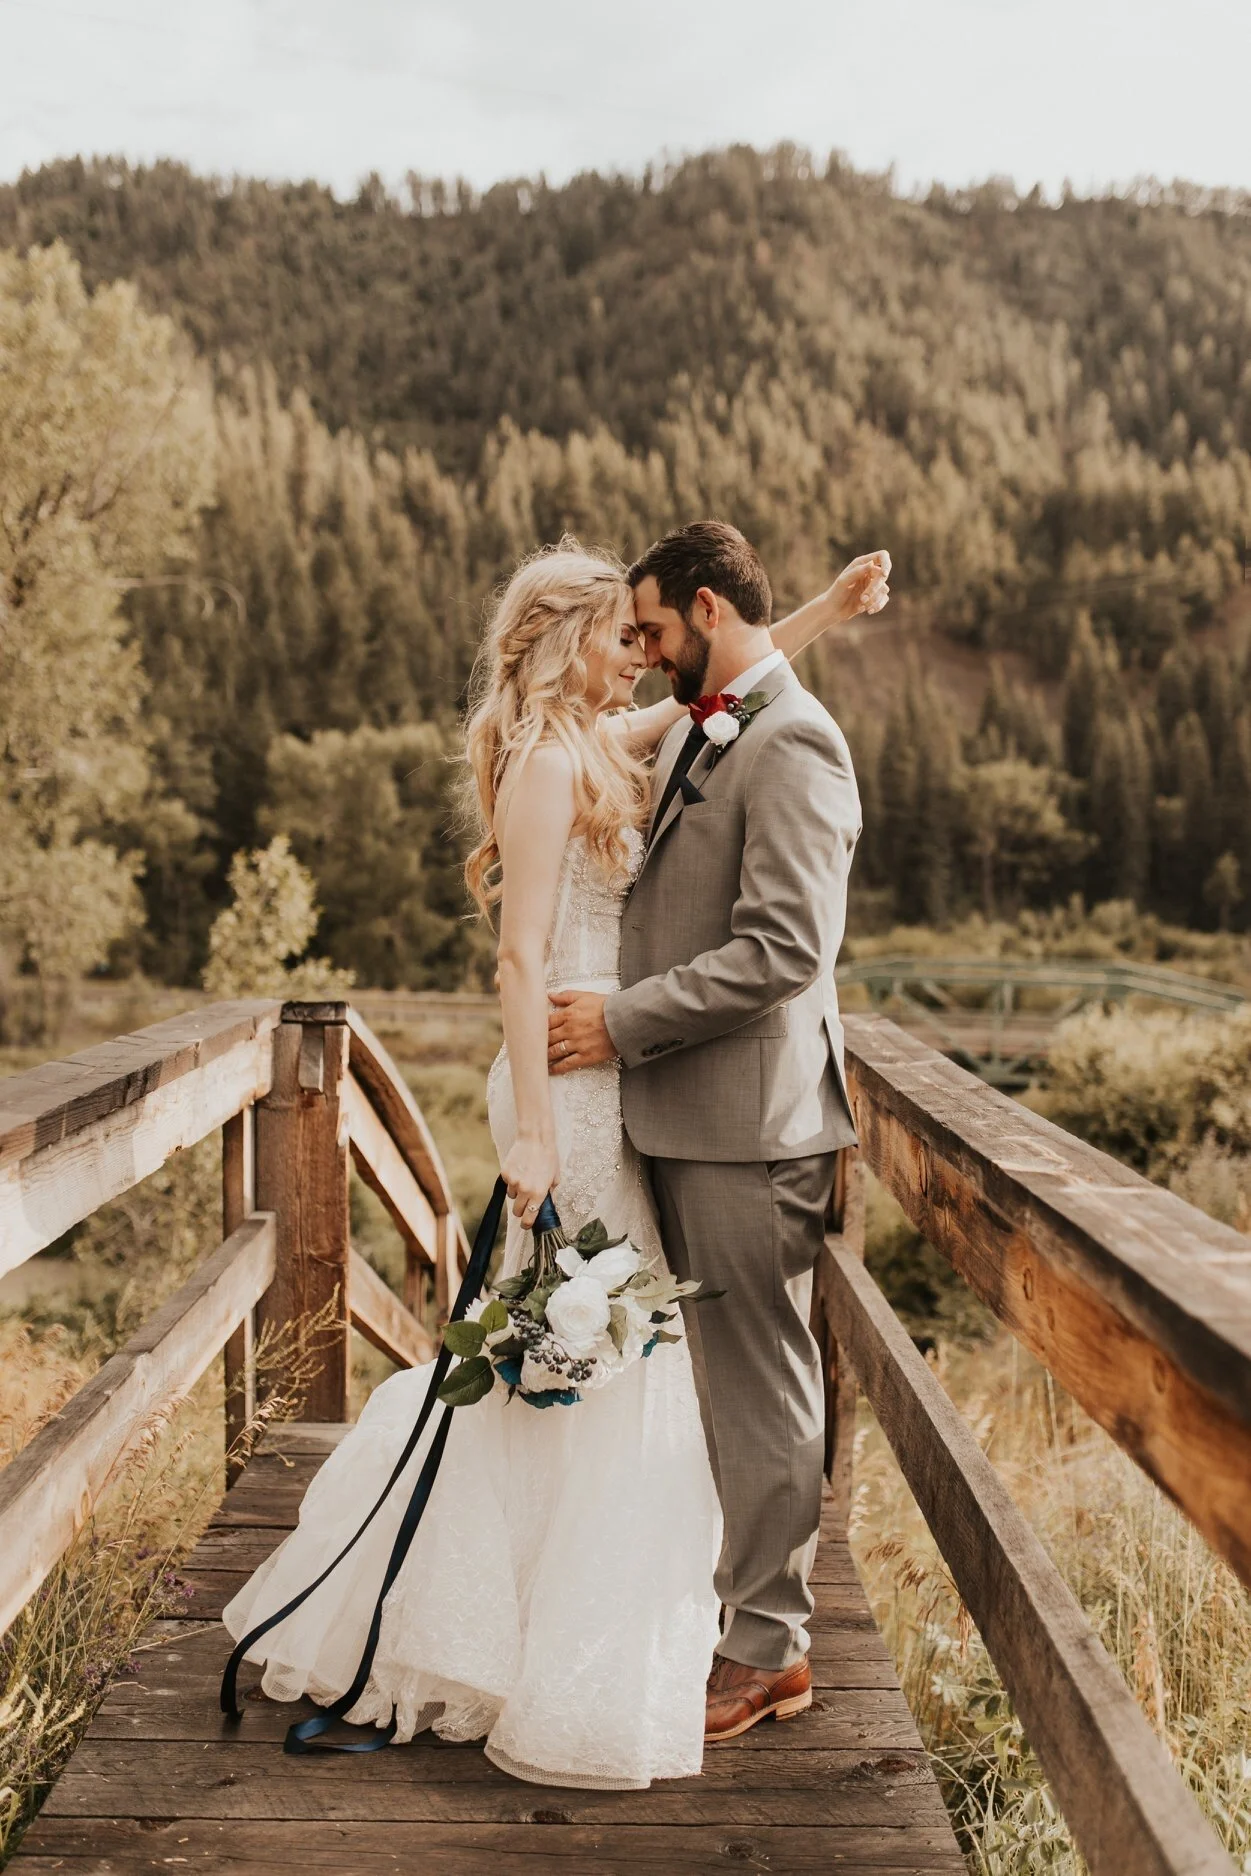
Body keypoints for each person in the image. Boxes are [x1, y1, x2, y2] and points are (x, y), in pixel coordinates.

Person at [221, 531, 888, 1787]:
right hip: (570, 1091)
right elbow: (520, 958)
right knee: (580, 1347)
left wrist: (828, 610)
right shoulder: (545, 759)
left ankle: (655, 1629)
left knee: (621, 1349)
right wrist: (533, 1128)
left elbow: (737, 689)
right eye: (623, 638)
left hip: (638, 1082)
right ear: (571, 641)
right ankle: (525, 1622)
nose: (641, 657)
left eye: (651, 633)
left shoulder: (631, 735)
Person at [548, 521, 878, 1743]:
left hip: (750, 1122)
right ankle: (738, 1617)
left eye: (651, 629)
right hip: (688, 1115)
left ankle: (767, 1649)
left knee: (761, 1387)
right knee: (718, 1387)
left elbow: (784, 950)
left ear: (704, 609)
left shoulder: (795, 741)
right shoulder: (712, 718)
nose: (642, 650)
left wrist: (622, 1021)